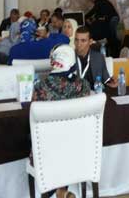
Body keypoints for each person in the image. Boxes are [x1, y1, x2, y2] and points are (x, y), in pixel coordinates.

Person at [32, 44, 92, 198]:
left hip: (48, 153)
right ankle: (61, 191)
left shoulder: (40, 88)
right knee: (65, 143)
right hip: (79, 150)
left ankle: (56, 191)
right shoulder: (83, 86)